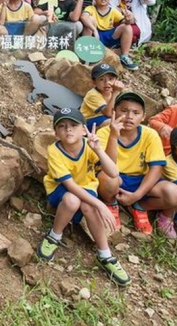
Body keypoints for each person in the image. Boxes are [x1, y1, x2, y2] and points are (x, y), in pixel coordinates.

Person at [36, 108, 130, 286]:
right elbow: (69, 185)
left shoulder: (89, 145)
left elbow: (113, 172)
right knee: (73, 200)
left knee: (89, 206)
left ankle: (105, 255)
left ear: (83, 129)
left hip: (86, 188)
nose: (68, 130)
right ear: (56, 132)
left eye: (73, 125)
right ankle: (54, 235)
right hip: (60, 191)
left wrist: (99, 150)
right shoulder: (54, 150)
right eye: (62, 126)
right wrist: (101, 205)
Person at [96, 91, 177, 235]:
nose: (129, 117)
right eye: (124, 111)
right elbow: (108, 167)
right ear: (114, 112)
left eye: (136, 113)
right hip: (115, 177)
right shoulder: (104, 133)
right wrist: (113, 136)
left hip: (140, 179)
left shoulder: (150, 135)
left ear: (143, 117)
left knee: (173, 194)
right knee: (109, 179)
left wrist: (137, 195)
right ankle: (111, 203)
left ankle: (139, 206)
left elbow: (156, 168)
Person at [82, 0, 138, 71]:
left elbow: (123, 22)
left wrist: (128, 19)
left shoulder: (113, 11)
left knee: (127, 27)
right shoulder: (91, 8)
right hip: (95, 37)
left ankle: (125, 57)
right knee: (90, 20)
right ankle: (86, 54)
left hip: (109, 36)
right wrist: (94, 30)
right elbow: (83, 17)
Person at [80, 63, 124, 130]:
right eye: (101, 79)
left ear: (116, 80)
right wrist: (116, 93)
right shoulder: (92, 94)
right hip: (87, 122)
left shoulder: (114, 91)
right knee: (113, 123)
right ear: (93, 82)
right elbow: (108, 113)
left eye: (111, 79)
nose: (107, 83)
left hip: (103, 119)